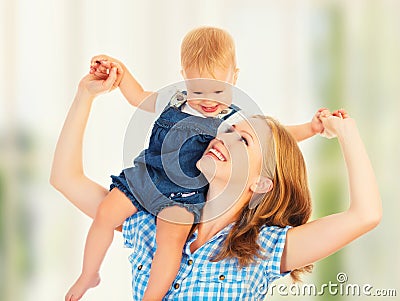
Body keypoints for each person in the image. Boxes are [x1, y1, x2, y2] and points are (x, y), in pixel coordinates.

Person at [52, 28, 360, 301]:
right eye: (199, 90)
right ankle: (88, 273)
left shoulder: (262, 249)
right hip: (151, 179)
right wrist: (91, 92)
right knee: (107, 214)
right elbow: (67, 176)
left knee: (169, 242)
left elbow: (279, 138)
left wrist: (316, 129)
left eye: (243, 141)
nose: (210, 103)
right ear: (185, 78)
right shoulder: (146, 219)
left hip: (183, 199)